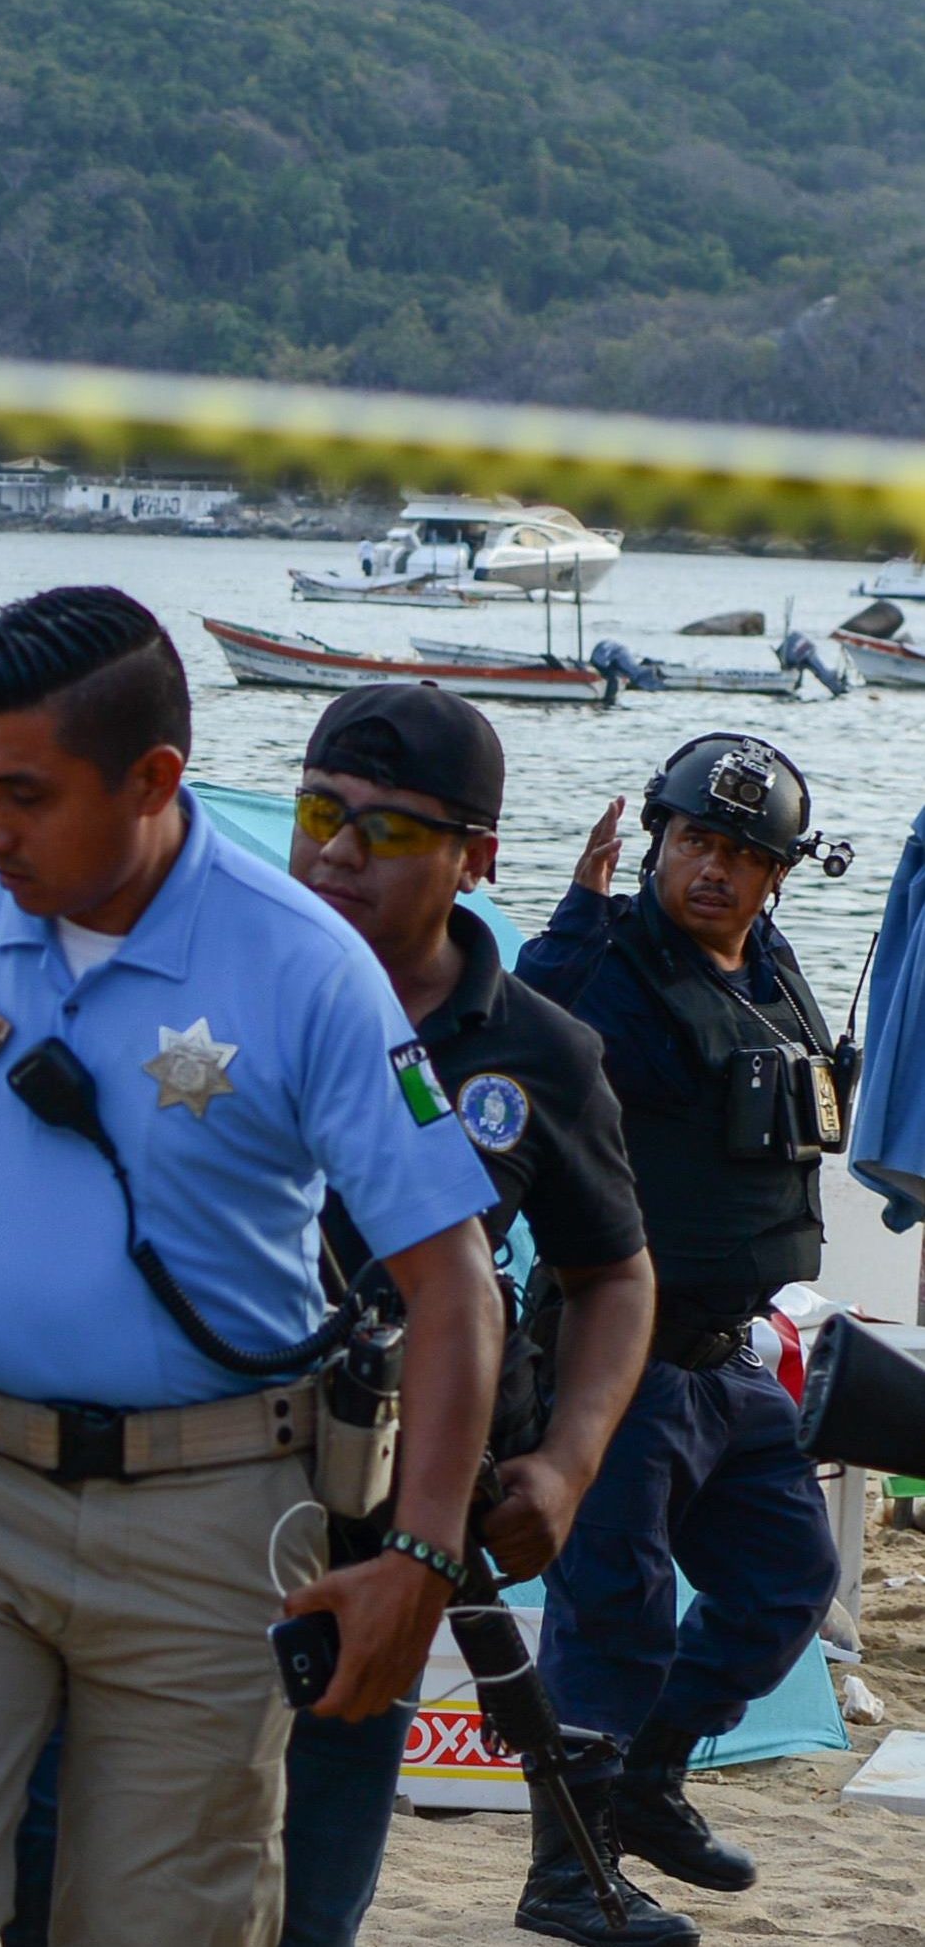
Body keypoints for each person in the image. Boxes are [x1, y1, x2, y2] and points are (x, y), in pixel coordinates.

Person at [0, 587, 504, 1947]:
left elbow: (456, 1280)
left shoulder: (310, 970)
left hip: (211, 1526)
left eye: (26, 793)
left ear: (155, 779)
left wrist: (422, 1554)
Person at [270, 687, 665, 1947]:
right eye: (319, 809)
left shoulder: (538, 1052)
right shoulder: (221, 983)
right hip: (166, 1486)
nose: (336, 850)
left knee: (316, 1890)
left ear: (476, 859)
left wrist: (567, 1460)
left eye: (386, 830)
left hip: (383, 1516)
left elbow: (614, 1273)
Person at [516, 731, 863, 1905]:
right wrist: (569, 920)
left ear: (776, 874)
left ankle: (642, 1779)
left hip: (726, 1359)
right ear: (658, 842)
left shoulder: (765, 966)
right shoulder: (605, 965)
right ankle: (569, 1874)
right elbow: (511, 1040)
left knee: (783, 1581)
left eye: (740, 851)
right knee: (610, 1624)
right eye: (693, 840)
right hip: (616, 1359)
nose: (710, 867)